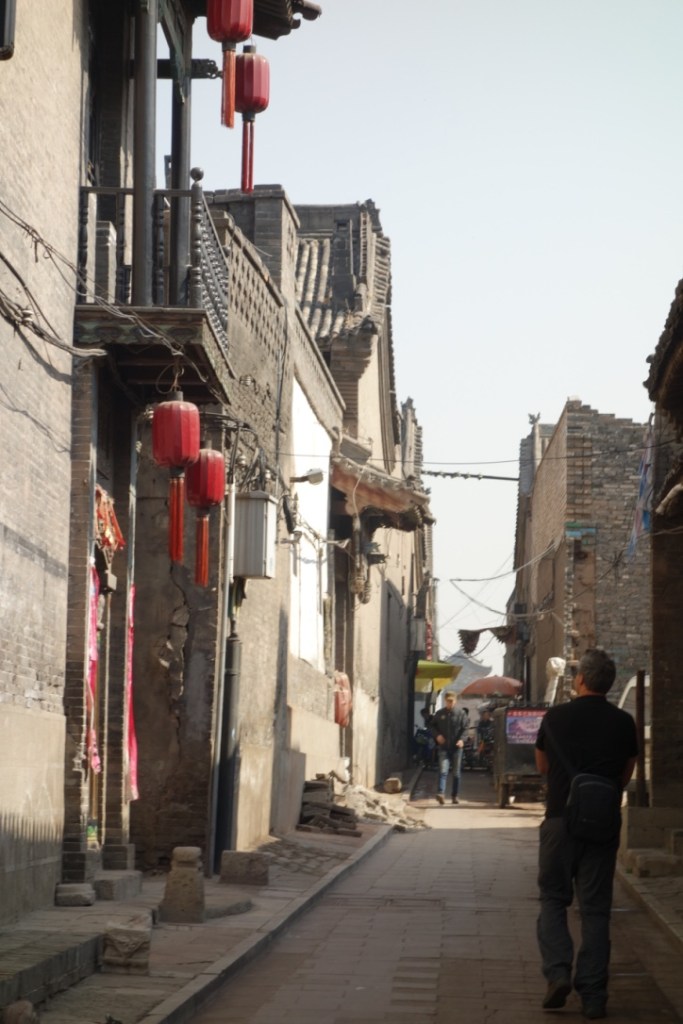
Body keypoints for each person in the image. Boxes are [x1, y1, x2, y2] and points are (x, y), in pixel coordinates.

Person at [534, 648, 638, 1020]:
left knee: (553, 899)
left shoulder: (555, 717)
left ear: (580, 680)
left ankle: (558, 973)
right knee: (595, 910)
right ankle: (593, 995)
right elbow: (626, 774)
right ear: (608, 683)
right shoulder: (623, 723)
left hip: (560, 821)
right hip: (602, 825)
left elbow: (542, 765)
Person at [431, 690, 468, 804]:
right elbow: (432, 726)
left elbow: (465, 728)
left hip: (457, 748)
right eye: (448, 701)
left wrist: (462, 739)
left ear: (455, 701)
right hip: (443, 747)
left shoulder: (461, 714)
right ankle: (441, 793)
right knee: (443, 770)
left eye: (452, 701)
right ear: (445, 701)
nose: (450, 703)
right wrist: (437, 735)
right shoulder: (439, 714)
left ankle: (455, 795)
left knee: (456, 773)